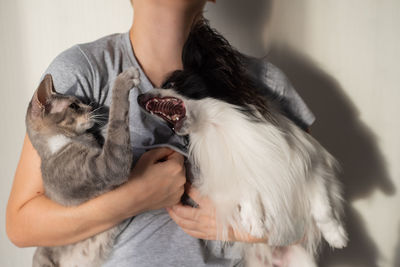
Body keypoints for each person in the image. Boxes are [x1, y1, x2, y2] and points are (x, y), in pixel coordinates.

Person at [6, 0, 315, 266]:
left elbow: (311, 221)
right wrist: (133, 198)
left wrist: (233, 228)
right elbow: (20, 225)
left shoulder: (264, 84)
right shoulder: (83, 71)